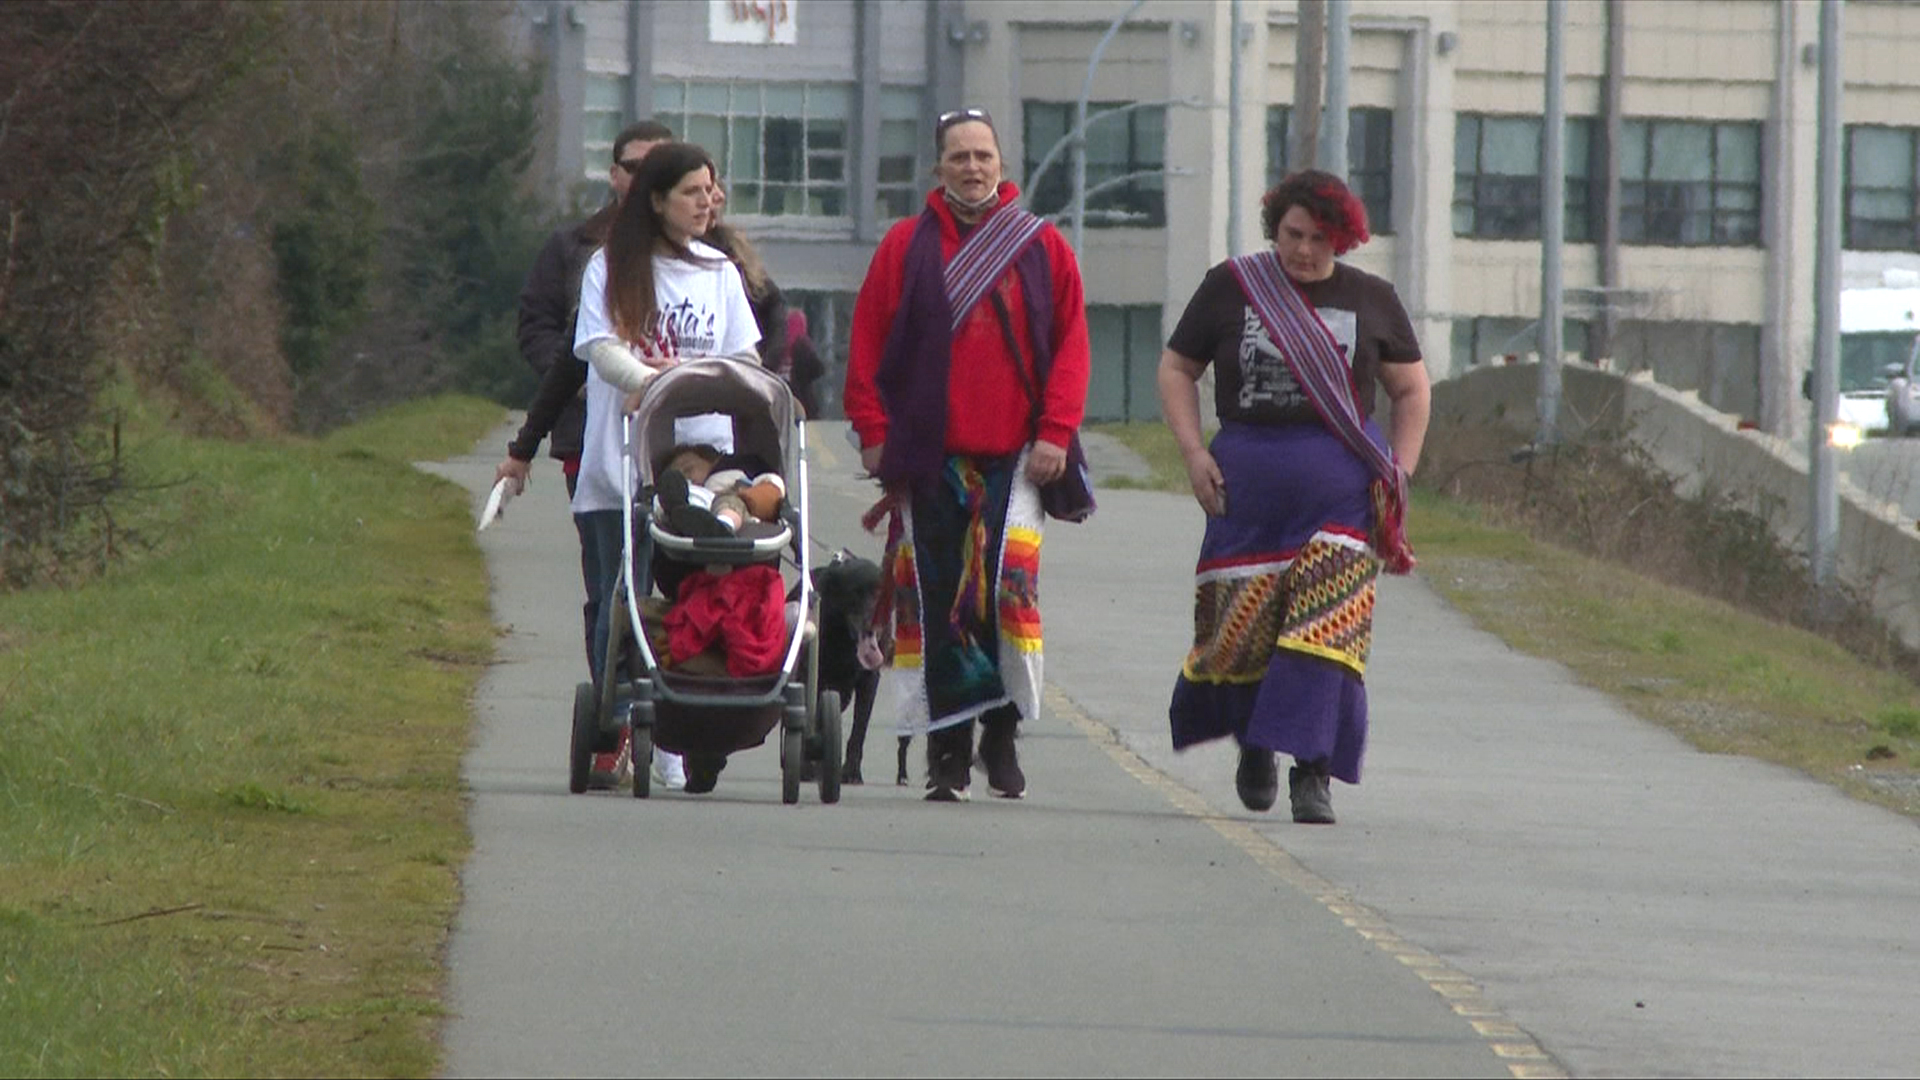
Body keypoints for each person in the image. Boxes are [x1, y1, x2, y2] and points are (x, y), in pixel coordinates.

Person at [1157, 169, 1431, 825]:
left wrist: (1399, 472)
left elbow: (1412, 390)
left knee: (1326, 629)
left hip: (1342, 492)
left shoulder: (1371, 297)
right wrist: (1194, 452)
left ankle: (1314, 773)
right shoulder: (1232, 287)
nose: (1305, 250)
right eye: (1293, 234)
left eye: (1320, 238)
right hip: (1245, 491)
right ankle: (1255, 740)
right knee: (1242, 632)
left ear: (1345, 239)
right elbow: (1177, 369)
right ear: (1274, 229)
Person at [842, 107, 1091, 802]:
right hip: (930, 457)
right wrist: (873, 430)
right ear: (938, 167)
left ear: (1002, 164)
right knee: (941, 600)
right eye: (959, 157)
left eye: (984, 155)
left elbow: (1071, 345)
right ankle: (947, 751)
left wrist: (1057, 432)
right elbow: (868, 343)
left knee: (1006, 595)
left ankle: (1003, 733)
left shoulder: (1043, 248)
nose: (972, 167)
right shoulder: (904, 247)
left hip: (1019, 457)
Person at [572, 141, 762, 795]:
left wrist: (699, 385)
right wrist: (656, 381)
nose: (707, 202)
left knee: (688, 594)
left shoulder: (720, 272)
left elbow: (743, 358)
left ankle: (678, 732)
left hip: (700, 459)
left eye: (711, 190)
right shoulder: (612, 268)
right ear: (657, 200)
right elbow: (599, 348)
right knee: (621, 594)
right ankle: (616, 720)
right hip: (621, 458)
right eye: (692, 191)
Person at [496, 120, 671, 789]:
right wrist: (577, 378)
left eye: (667, 168)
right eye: (637, 166)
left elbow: (759, 332)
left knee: (674, 580)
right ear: (616, 173)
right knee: (611, 585)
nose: (650, 180)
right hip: (588, 435)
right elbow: (545, 330)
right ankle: (615, 718)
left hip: (680, 451)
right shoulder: (577, 250)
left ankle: (674, 716)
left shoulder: (707, 255)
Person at [704, 180, 788, 378]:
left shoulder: (730, 245)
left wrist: (765, 365)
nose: (717, 197)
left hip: (741, 369)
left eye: (713, 188)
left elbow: (772, 302)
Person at [784, 308, 825, 418]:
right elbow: (819, 369)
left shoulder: (781, 346)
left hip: (788, 397)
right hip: (804, 397)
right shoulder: (803, 344)